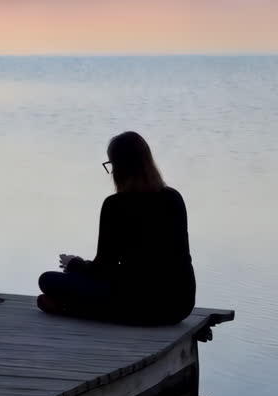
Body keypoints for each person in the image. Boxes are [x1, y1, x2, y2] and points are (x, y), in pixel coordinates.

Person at [37, 131, 196, 326]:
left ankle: (71, 309)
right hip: (179, 305)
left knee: (47, 280)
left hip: (136, 301)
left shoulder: (115, 205)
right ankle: (75, 308)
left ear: (119, 167)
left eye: (111, 165)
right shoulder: (173, 198)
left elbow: (104, 268)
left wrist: (74, 265)